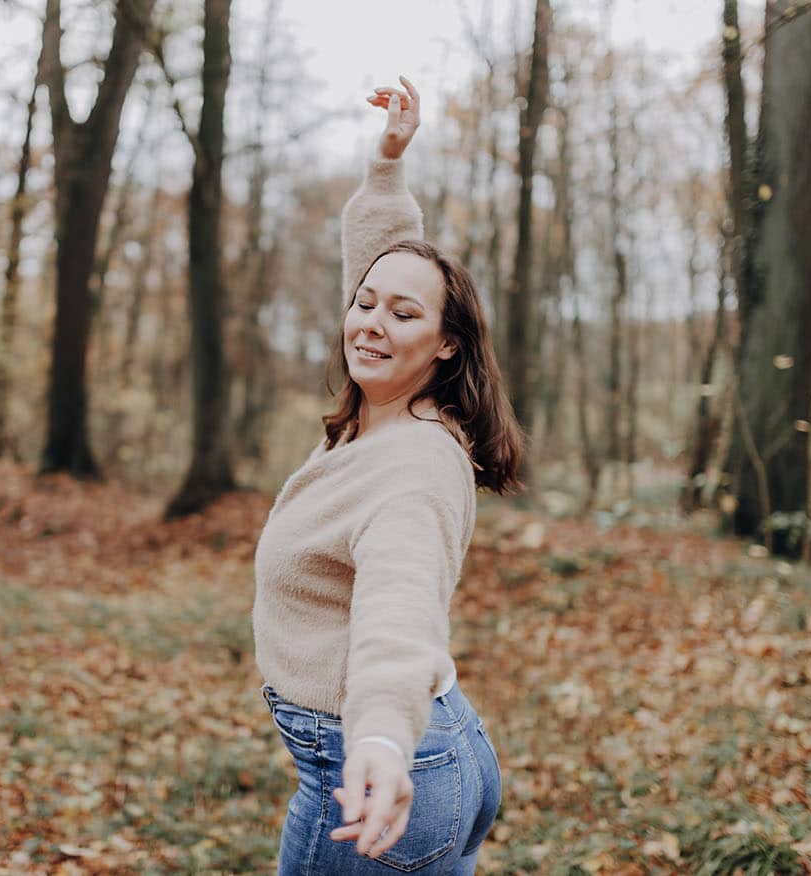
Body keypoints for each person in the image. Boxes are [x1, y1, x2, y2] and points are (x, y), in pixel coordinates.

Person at [252, 76, 526, 875]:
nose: (370, 322)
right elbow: (382, 274)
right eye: (363, 303)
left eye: (403, 315)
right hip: (433, 748)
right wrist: (387, 166)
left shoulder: (412, 466)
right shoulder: (381, 411)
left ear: (446, 345)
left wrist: (376, 737)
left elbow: (398, 615)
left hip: (378, 768)